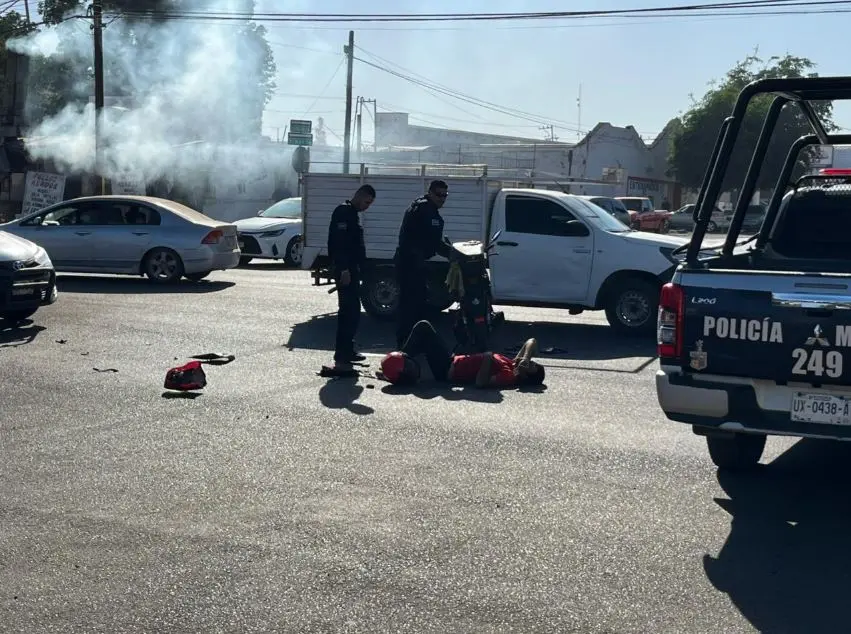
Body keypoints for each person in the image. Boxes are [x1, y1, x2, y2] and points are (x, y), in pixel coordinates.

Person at [381, 320, 546, 388]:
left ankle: (399, 361)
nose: (529, 363)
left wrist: (487, 358)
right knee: (424, 339)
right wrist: (525, 358)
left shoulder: (508, 376)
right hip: (452, 360)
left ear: (525, 376)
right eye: (532, 362)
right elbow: (531, 341)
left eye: (531, 366)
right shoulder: (512, 363)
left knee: (423, 327)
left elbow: (481, 383)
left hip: (447, 370)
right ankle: (398, 367)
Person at [394, 180, 453, 348]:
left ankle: (411, 343)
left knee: (417, 305)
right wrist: (452, 254)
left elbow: (433, 241)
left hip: (414, 263)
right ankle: (405, 345)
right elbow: (430, 241)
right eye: (439, 195)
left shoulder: (426, 208)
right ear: (430, 193)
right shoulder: (424, 210)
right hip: (410, 264)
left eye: (445, 195)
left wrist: (452, 253)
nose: (442, 199)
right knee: (410, 306)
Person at [327, 184, 376, 370]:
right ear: (359, 196)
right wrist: (344, 269)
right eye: (366, 202)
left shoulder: (352, 214)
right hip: (345, 270)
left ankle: (348, 349)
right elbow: (339, 243)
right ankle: (342, 354)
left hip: (352, 269)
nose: (367, 207)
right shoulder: (343, 212)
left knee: (353, 312)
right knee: (347, 312)